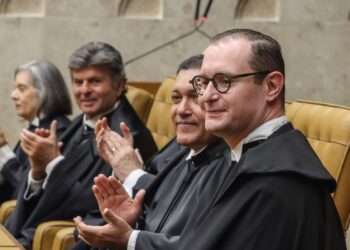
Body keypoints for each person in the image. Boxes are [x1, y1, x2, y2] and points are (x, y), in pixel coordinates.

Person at [174, 28, 346, 250]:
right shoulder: (246, 159)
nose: (206, 96)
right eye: (203, 82)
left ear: (271, 86)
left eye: (223, 80)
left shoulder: (278, 184)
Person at [5, 41, 158, 249]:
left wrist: (53, 164)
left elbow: (95, 203)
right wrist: (39, 170)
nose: (84, 90)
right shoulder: (82, 121)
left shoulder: (125, 136)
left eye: (94, 81)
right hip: (32, 230)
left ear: (120, 85)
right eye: (78, 82)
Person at [73, 55, 229, 250]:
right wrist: (129, 220)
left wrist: (131, 174)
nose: (181, 110)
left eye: (195, 97)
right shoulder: (184, 150)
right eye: (176, 98)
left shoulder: (230, 164)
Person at [0, 60, 72, 203]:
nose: (13, 95)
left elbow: (29, 189)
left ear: (44, 92)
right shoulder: (35, 127)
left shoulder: (58, 132)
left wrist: (3, 150)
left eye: (21, 88)